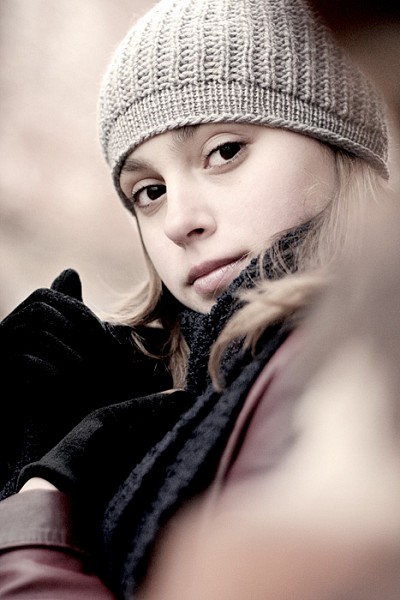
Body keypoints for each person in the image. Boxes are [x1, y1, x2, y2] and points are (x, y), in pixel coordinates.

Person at [0, 0, 394, 598]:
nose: (179, 221)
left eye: (225, 151)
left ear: (338, 140)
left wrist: (41, 507)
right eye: (150, 191)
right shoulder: (188, 396)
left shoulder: (358, 370)